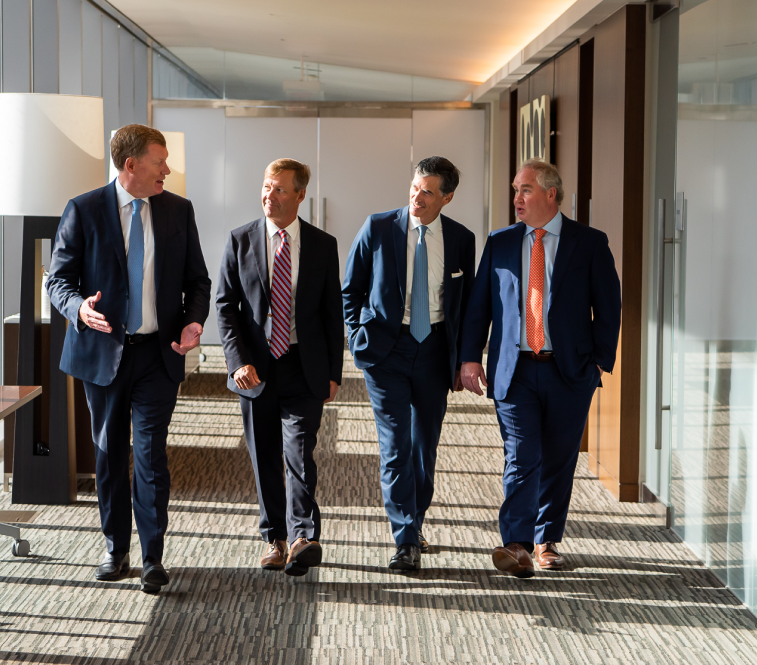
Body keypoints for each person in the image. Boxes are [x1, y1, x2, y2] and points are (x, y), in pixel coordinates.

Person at [47, 124, 211, 594]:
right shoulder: (83, 209)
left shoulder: (179, 209)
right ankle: (115, 548)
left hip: (159, 354)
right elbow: (57, 281)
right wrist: (78, 308)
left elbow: (198, 281)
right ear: (131, 165)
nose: (168, 169)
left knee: (150, 453)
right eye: (161, 161)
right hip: (102, 355)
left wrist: (193, 322)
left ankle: (152, 556)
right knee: (109, 454)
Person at [459, 159, 620, 577]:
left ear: (551, 194)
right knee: (521, 454)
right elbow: (480, 306)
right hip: (514, 369)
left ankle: (547, 538)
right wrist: (470, 357)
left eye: (525, 189)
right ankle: (517, 543)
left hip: (569, 370)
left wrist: (600, 361)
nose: (516, 198)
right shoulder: (501, 242)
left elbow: (608, 305)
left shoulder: (589, 243)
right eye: (515, 189)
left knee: (559, 457)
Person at [342, 156, 476, 571]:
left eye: (428, 192)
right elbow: (351, 290)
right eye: (415, 188)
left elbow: (466, 304)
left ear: (447, 198)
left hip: (435, 351)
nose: (417, 197)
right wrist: (356, 338)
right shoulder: (378, 227)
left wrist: (462, 357)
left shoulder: (461, 239)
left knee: (424, 447)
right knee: (395, 445)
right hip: (387, 350)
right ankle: (404, 539)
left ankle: (414, 523)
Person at [216, 158, 343, 576]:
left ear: (300, 195)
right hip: (255, 369)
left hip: (304, 367)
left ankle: (304, 536)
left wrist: (334, 372)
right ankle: (275, 536)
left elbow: (331, 314)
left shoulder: (322, 245)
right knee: (264, 455)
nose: (269, 195)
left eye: (280, 189)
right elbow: (226, 308)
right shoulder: (241, 240)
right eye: (266, 187)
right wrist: (237, 362)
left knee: (300, 452)